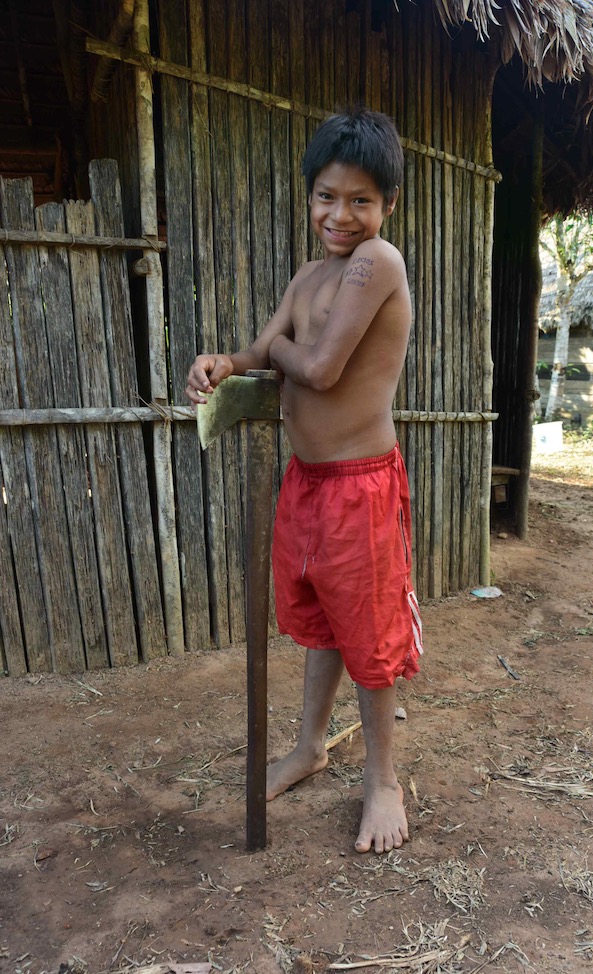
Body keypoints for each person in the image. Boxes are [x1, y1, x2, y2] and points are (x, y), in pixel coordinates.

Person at [186, 107, 422, 854]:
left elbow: (317, 369)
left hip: (359, 484)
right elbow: (266, 349)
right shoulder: (310, 274)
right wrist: (224, 362)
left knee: (370, 633)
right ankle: (311, 746)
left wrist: (276, 349)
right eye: (327, 195)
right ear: (309, 195)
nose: (341, 214)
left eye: (361, 200)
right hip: (309, 482)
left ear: (388, 206)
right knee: (322, 619)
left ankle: (382, 780)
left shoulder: (376, 264)